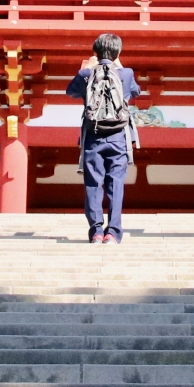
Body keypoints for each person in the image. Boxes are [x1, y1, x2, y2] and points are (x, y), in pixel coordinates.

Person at [65, 32, 141, 245]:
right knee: (116, 184)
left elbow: (70, 92)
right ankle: (113, 233)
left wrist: (86, 69)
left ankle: (96, 232)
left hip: (93, 136)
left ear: (95, 52)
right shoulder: (126, 74)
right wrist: (119, 66)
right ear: (118, 52)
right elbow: (136, 92)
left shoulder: (85, 74)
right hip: (119, 137)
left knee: (93, 183)